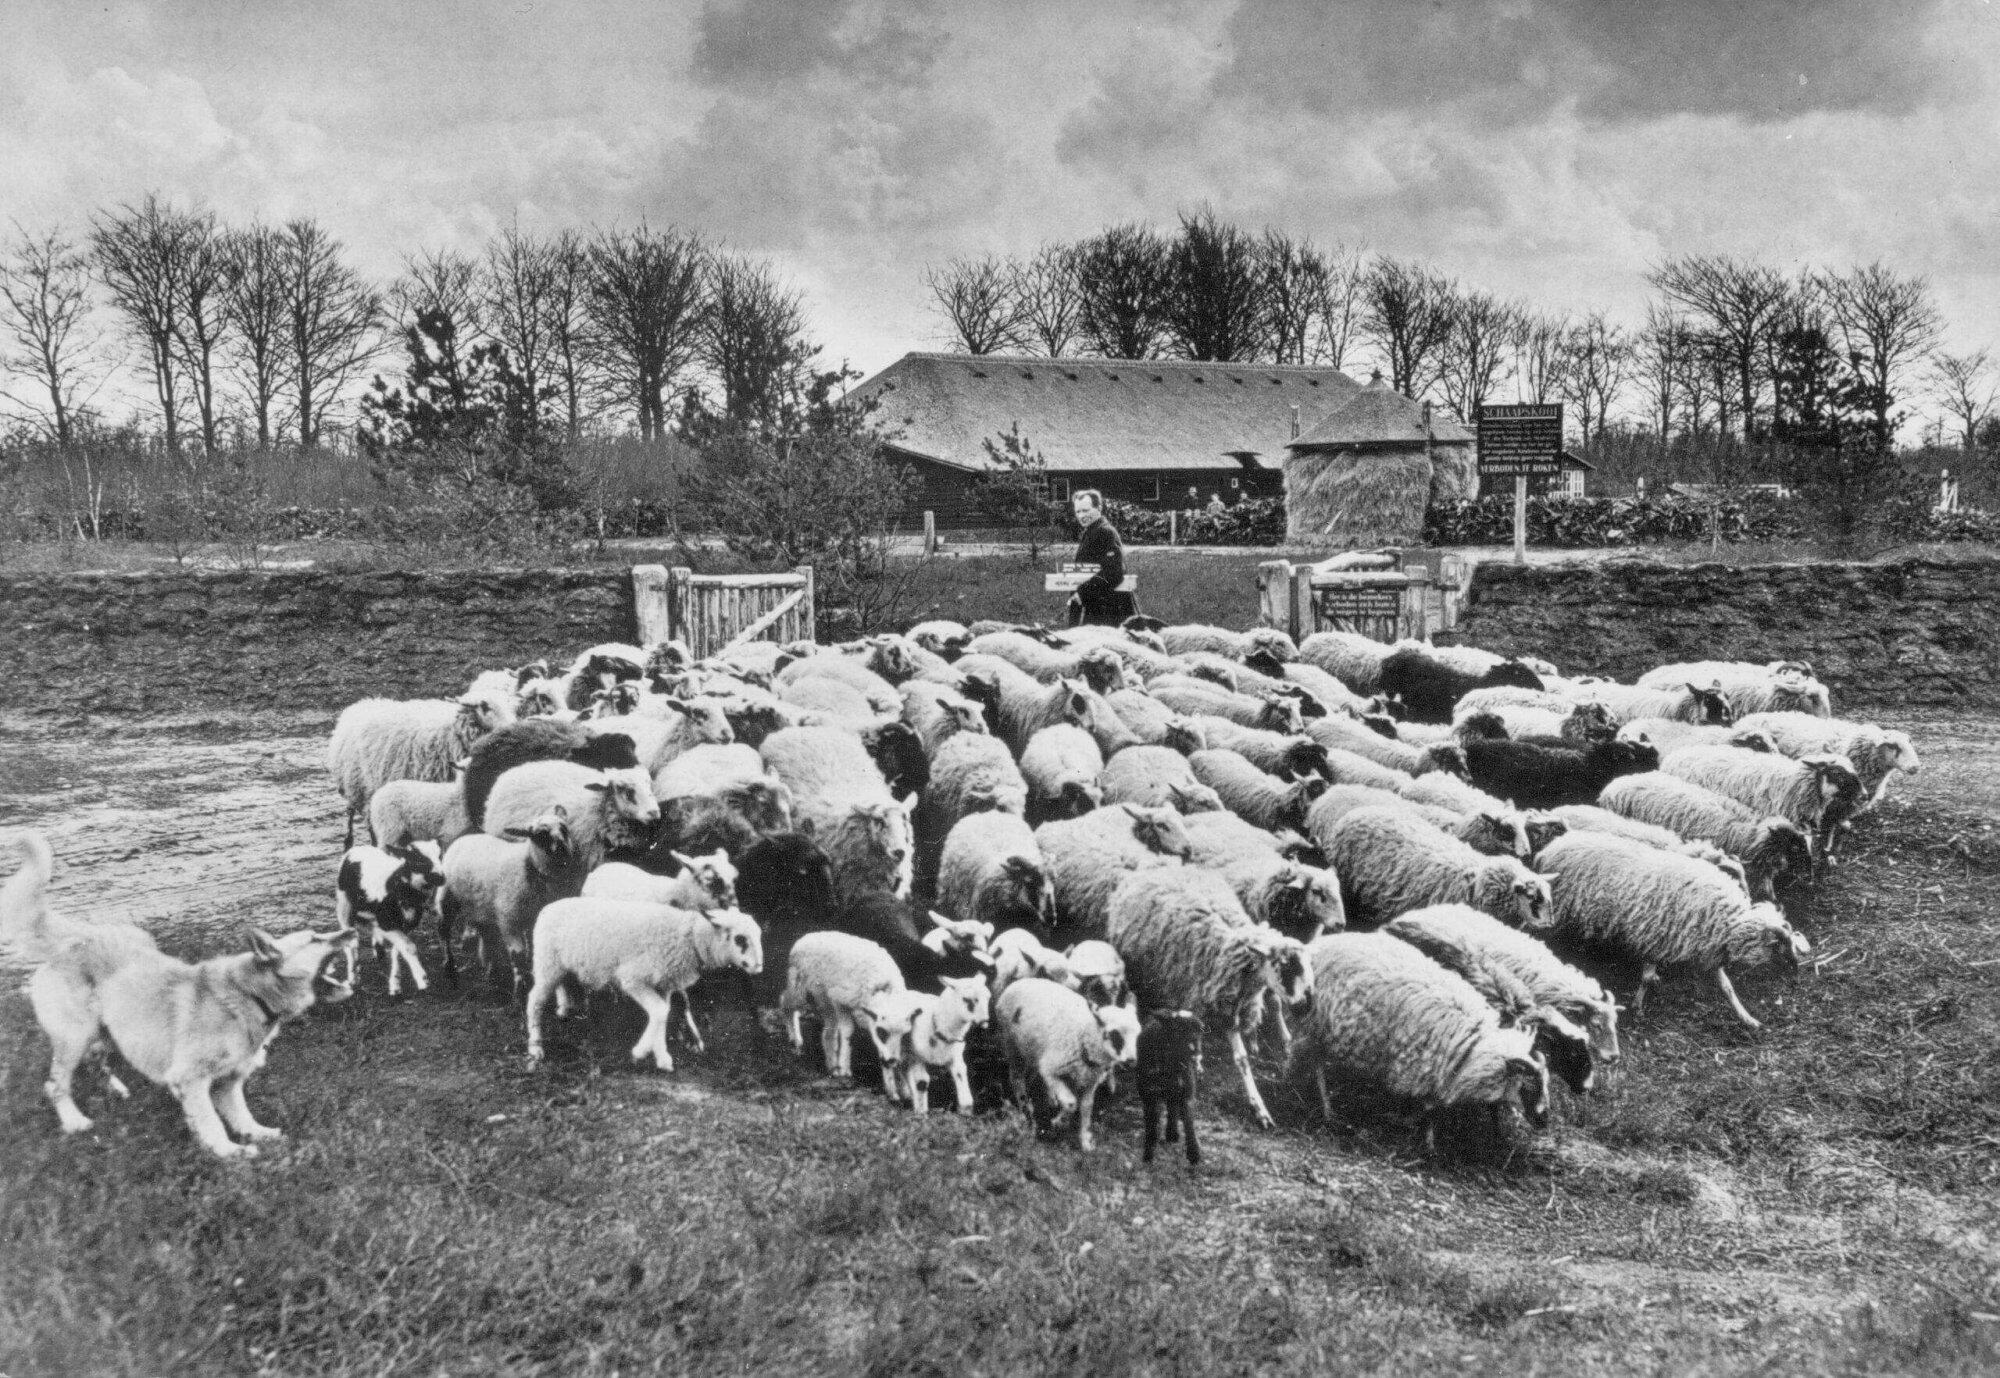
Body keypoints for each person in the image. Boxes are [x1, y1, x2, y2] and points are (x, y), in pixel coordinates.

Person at [1067, 489, 1130, 627]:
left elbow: (1114, 572)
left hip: (1108, 611)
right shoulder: (1091, 531)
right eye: (1078, 512)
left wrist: (1082, 593)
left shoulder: (1105, 532)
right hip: (1095, 607)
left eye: (1086, 510)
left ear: (1099, 508)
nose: (1081, 515)